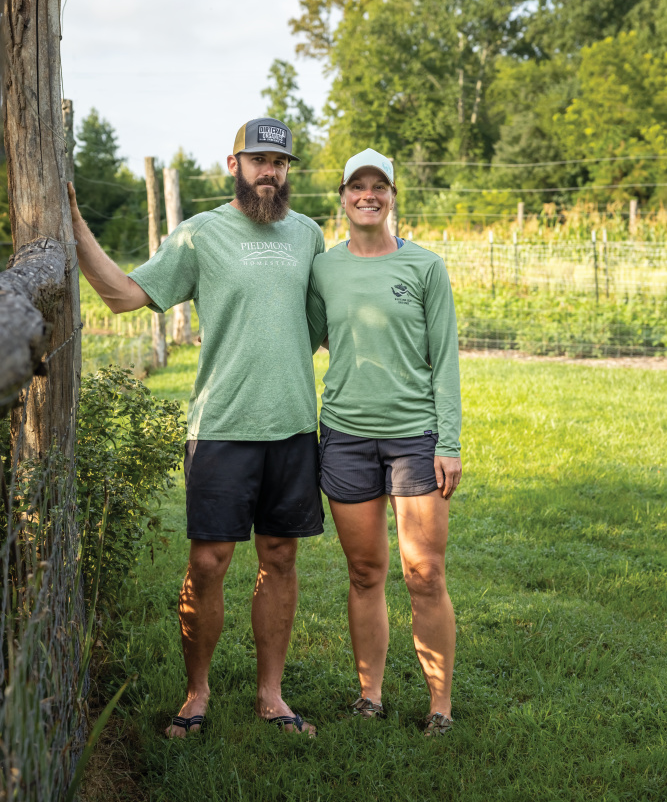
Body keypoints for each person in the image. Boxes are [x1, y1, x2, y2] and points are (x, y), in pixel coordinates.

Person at [68, 117, 325, 738]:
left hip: (292, 425)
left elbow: (324, 321)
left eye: (282, 163)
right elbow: (126, 296)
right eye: (260, 160)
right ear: (233, 164)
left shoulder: (309, 235)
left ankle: (271, 695)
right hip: (222, 427)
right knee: (209, 562)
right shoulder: (200, 234)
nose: (272, 173)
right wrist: (74, 228)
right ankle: (196, 693)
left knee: (281, 558)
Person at [307, 148, 462, 736]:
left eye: (379, 186)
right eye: (356, 186)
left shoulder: (426, 267)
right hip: (344, 436)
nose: (367, 195)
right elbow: (308, 336)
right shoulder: (324, 268)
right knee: (366, 572)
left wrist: (447, 441)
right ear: (343, 197)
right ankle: (369, 694)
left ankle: (440, 705)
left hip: (415, 440)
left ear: (393, 195)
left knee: (424, 573)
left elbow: (444, 360)